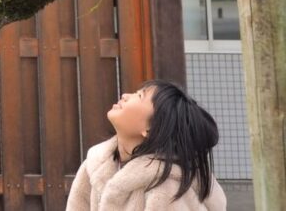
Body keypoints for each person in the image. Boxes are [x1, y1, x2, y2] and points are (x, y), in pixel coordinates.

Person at [66, 80, 227, 210]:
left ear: (151, 129)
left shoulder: (167, 188)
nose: (125, 95)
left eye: (140, 96)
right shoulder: (96, 165)